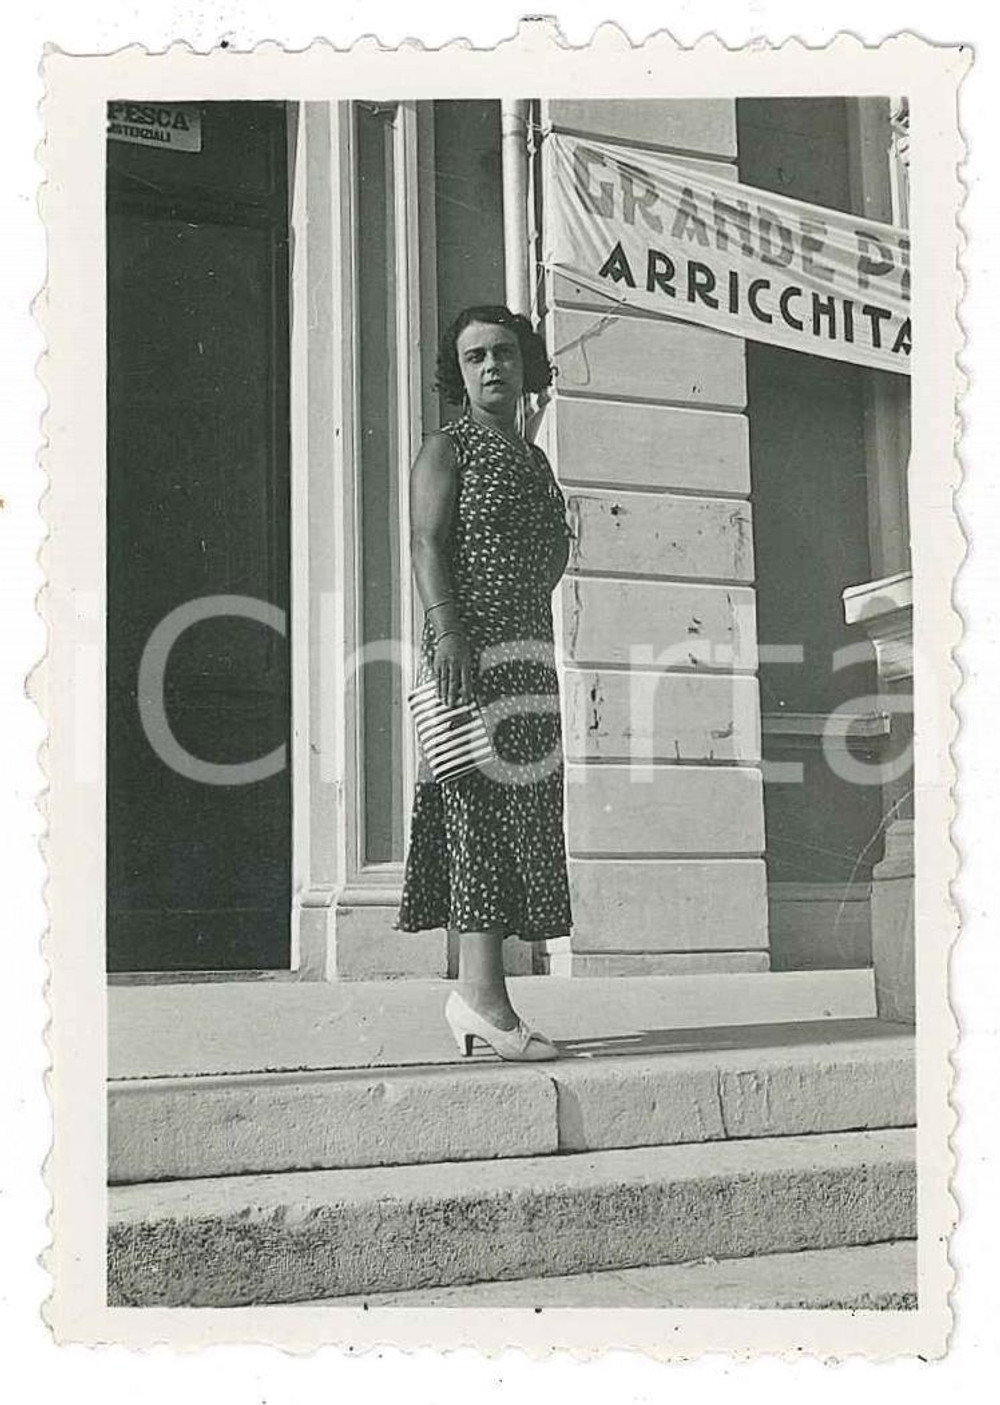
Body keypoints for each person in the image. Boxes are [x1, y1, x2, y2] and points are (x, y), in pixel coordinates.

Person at [394, 304, 574, 1062]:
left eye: (504, 352)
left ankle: (484, 997)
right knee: (475, 812)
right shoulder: (449, 448)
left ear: (525, 363)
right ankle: (481, 998)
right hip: (469, 653)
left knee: (519, 814)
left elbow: (553, 554)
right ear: (458, 373)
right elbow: (426, 541)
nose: (493, 366)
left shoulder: (534, 461)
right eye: (475, 358)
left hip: (529, 658)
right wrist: (449, 630)